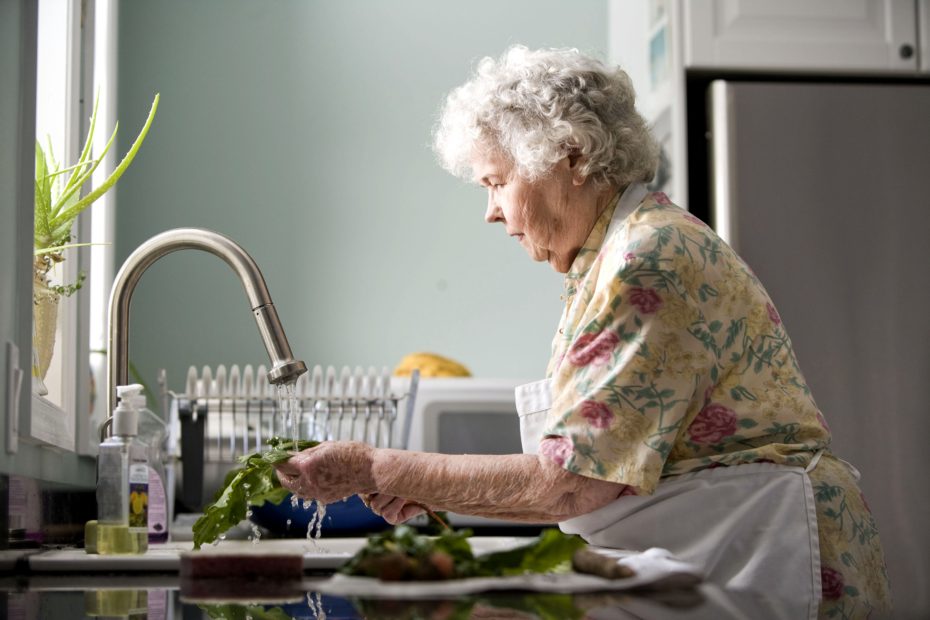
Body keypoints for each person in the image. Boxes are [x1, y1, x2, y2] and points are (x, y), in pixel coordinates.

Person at [276, 45, 891, 616]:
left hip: (755, 552)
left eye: (496, 182)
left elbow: (571, 486)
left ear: (569, 157)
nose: (490, 211)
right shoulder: (608, 260)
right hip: (711, 550)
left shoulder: (647, 260)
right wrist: (425, 486)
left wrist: (377, 469)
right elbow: (576, 472)